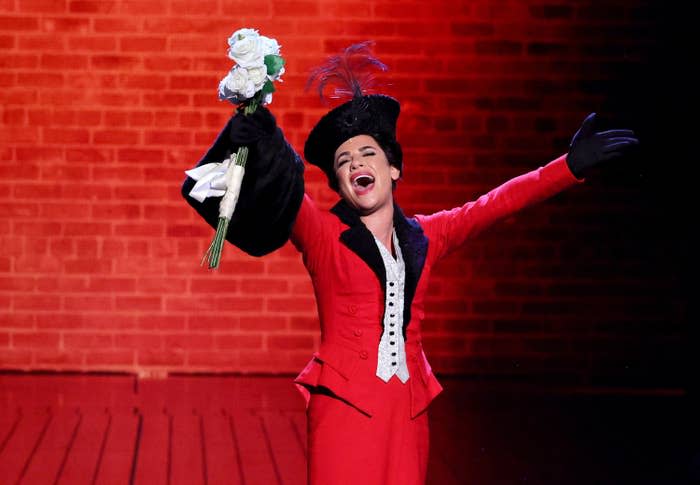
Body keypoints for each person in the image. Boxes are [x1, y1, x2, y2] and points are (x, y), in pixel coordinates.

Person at [182, 43, 638, 485]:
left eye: (368, 153)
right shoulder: (323, 234)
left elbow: (494, 205)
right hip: (344, 406)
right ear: (340, 183)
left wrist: (567, 167)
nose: (356, 163)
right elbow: (280, 188)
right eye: (344, 161)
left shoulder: (428, 234)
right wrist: (259, 130)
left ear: (393, 168)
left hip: (408, 409)